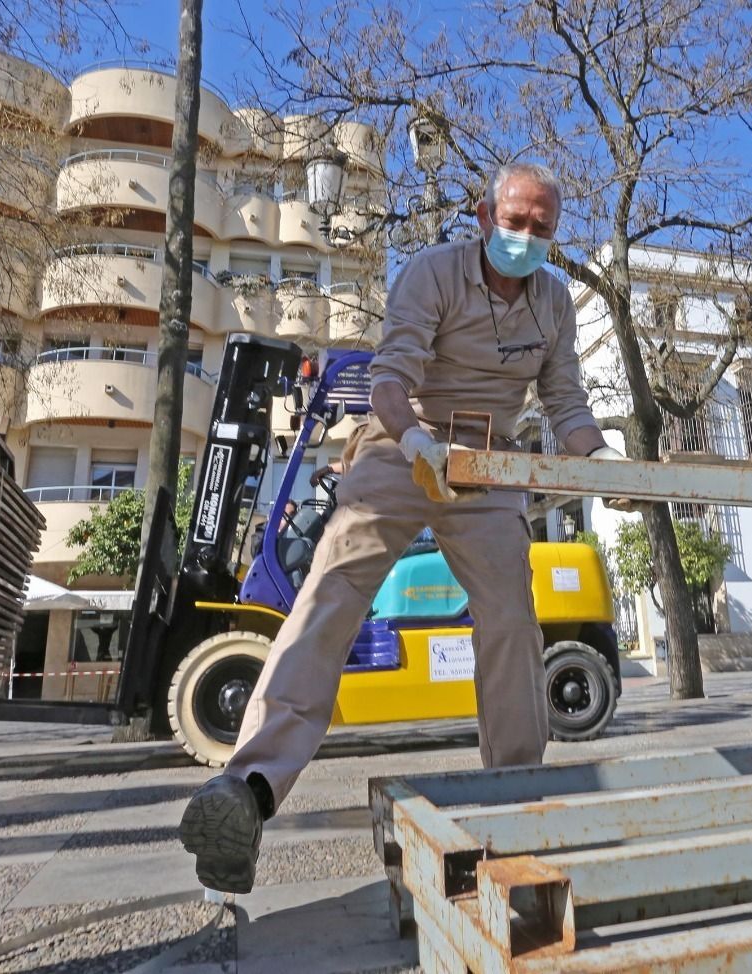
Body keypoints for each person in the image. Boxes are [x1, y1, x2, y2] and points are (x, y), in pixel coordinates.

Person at [178, 162, 628, 894]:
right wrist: (415, 442)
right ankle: (248, 789)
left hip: (489, 466)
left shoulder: (553, 302)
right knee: (329, 588)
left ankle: (515, 796)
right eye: (513, 222)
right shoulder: (433, 272)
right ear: (484, 217)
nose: (525, 237)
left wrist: (608, 465)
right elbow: (390, 377)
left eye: (541, 228)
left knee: (513, 621)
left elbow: (567, 404)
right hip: (404, 443)